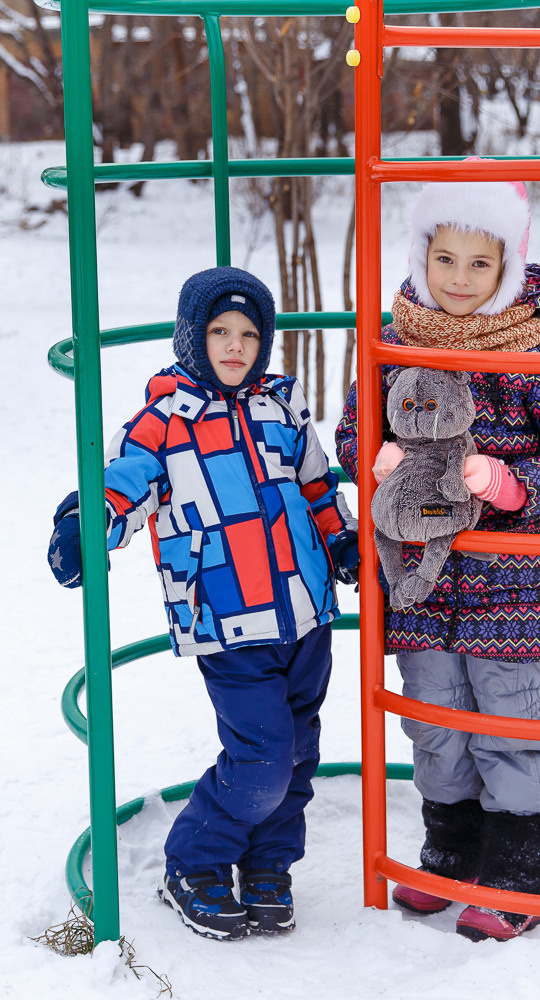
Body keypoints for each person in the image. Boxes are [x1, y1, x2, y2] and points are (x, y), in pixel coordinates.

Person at [48, 266, 360, 942]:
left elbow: (314, 489)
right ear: (191, 336)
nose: (236, 346)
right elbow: (123, 484)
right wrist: (84, 520)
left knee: (298, 752)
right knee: (262, 757)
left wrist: (340, 543)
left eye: (250, 334)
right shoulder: (164, 422)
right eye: (219, 331)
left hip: (306, 614)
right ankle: (195, 859)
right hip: (227, 619)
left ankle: (269, 863)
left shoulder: (281, 407)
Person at [335, 179, 540, 942]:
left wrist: (516, 483)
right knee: (434, 718)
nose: (458, 279)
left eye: (478, 265)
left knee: (507, 714)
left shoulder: (534, 354)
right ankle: (452, 847)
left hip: (510, 581)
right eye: (444, 258)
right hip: (418, 576)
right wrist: (378, 459)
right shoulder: (395, 340)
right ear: (422, 258)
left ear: (507, 269)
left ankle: (519, 863)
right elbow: (352, 429)